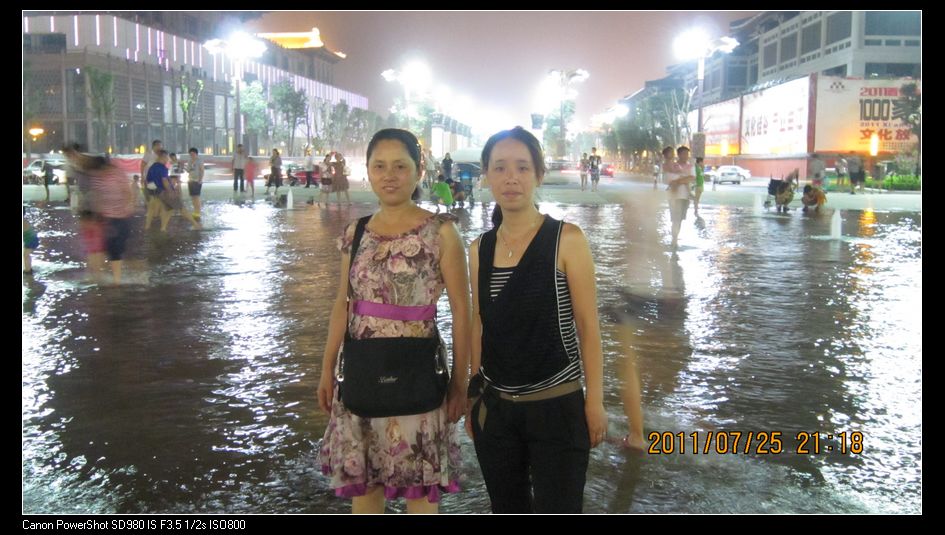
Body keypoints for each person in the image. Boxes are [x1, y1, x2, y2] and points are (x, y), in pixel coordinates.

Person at [317, 128, 470, 514]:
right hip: (362, 373)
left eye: (400, 166)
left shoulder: (442, 232)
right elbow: (342, 304)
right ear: (368, 171)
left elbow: (463, 313)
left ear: (419, 172)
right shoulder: (355, 233)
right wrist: (326, 369)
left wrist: (460, 383)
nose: (389, 175)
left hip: (417, 373)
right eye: (380, 166)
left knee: (420, 494)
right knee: (365, 490)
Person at [466, 126, 607, 513]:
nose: (511, 178)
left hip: (557, 407)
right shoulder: (480, 248)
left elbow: (588, 328)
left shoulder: (567, 240)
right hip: (496, 410)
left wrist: (594, 402)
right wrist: (474, 394)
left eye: (522, 167)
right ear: (486, 175)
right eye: (500, 168)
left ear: (539, 175)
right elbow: (480, 323)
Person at [87, 156, 134, 284]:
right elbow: (96, 196)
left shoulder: (118, 174)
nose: (100, 173)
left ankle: (116, 280)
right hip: (105, 218)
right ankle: (100, 276)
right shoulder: (96, 177)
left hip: (120, 217)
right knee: (103, 248)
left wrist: (127, 206)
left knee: (115, 249)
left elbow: (128, 192)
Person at [666, 146, 694, 249]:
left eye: (687, 154)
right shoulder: (673, 166)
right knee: (675, 219)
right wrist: (684, 179)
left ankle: (675, 238)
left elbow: (692, 178)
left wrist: (679, 180)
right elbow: (670, 181)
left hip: (685, 197)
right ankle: (674, 240)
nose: (686, 156)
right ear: (679, 155)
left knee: (680, 219)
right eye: (684, 154)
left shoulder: (690, 166)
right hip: (674, 196)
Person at [187, 148, 205, 220]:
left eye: (193, 154)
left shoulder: (199, 161)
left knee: (196, 197)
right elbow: (188, 170)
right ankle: (195, 211)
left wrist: (200, 180)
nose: (192, 155)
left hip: (197, 181)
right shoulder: (190, 161)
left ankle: (198, 212)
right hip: (191, 180)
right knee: (193, 197)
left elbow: (202, 170)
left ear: (196, 154)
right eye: (190, 154)